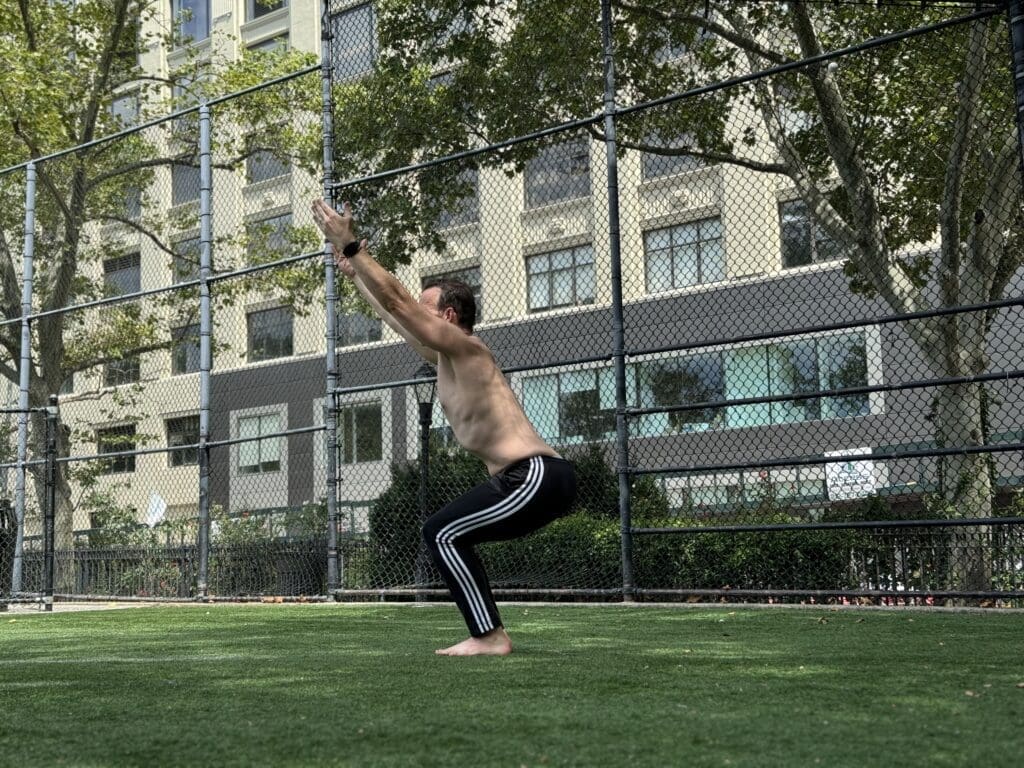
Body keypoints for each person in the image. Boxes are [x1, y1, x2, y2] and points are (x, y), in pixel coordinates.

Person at [312, 199, 577, 656]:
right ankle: (488, 634)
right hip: (533, 479)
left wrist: (351, 246)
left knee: (442, 531)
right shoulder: (444, 359)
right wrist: (357, 279)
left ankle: (490, 637)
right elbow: (394, 314)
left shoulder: (469, 348)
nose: (418, 309)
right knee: (446, 532)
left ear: (449, 316)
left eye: (427, 306)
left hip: (534, 475)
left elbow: (399, 301)